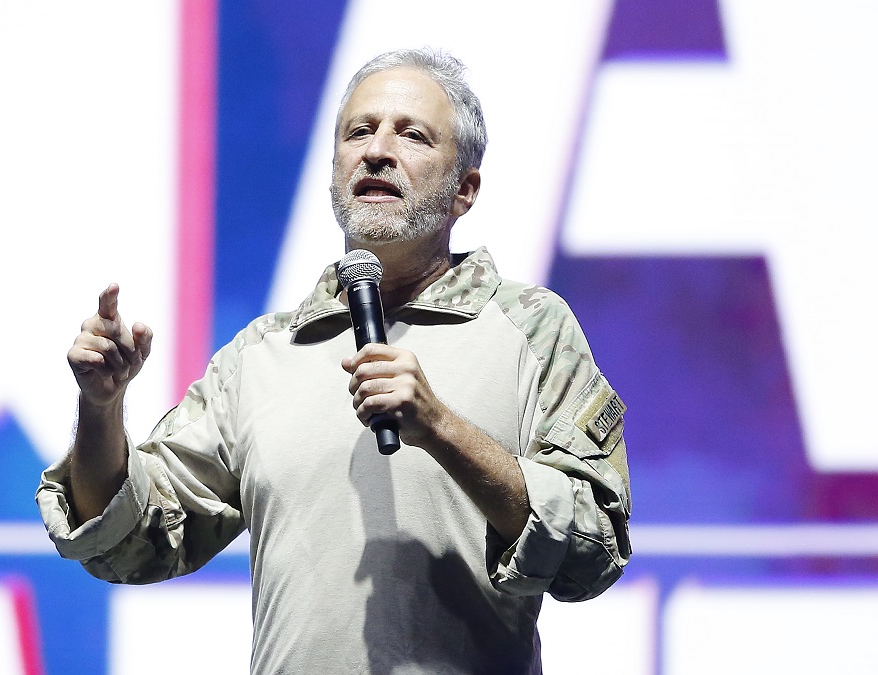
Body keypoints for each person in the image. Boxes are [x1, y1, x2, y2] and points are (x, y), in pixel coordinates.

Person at [37, 48, 631, 673]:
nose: (377, 151)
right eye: (359, 131)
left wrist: (442, 429)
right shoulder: (263, 355)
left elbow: (593, 550)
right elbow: (131, 544)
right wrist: (100, 409)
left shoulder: (530, 329)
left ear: (465, 188)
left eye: (412, 135)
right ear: (333, 173)